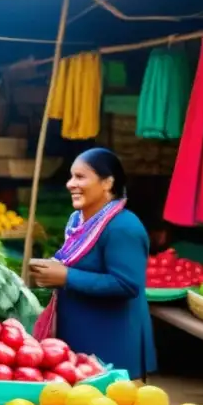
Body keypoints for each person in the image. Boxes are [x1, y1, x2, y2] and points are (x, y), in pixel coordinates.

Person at [30, 148, 157, 379]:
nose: (70, 184)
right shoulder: (77, 220)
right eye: (71, 177)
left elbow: (127, 284)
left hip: (112, 344)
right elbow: (74, 262)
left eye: (80, 177)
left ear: (107, 182)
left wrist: (66, 276)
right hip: (80, 340)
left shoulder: (124, 227)